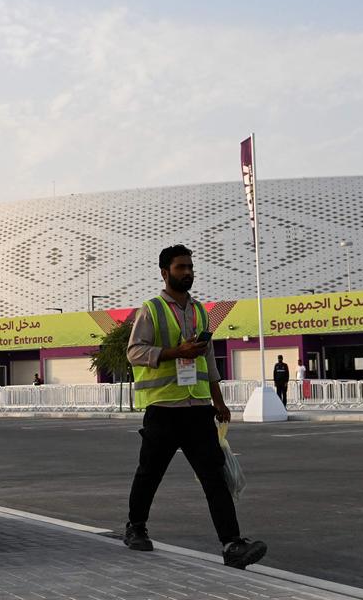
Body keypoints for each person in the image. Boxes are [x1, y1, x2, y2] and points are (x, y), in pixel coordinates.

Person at [124, 244, 267, 570]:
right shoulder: (152, 310)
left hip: (198, 408)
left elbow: (208, 360)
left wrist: (218, 401)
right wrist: (176, 351)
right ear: (165, 272)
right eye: (180, 267)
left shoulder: (201, 312)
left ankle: (232, 544)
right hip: (163, 407)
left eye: (190, 266)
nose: (187, 272)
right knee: (150, 473)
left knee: (214, 477)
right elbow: (134, 352)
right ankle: (135, 527)